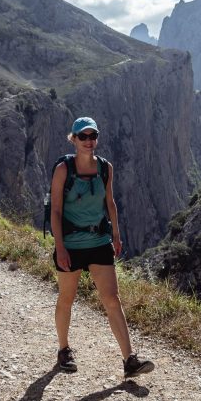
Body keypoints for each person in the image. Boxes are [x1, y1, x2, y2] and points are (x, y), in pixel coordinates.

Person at [50, 116, 154, 378]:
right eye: (82, 136)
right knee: (67, 298)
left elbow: (110, 202)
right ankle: (64, 349)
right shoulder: (64, 169)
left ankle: (129, 359)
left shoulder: (106, 168)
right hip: (71, 243)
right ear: (73, 139)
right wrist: (60, 246)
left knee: (112, 299)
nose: (88, 141)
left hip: (99, 241)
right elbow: (56, 210)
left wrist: (116, 235)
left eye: (92, 135)